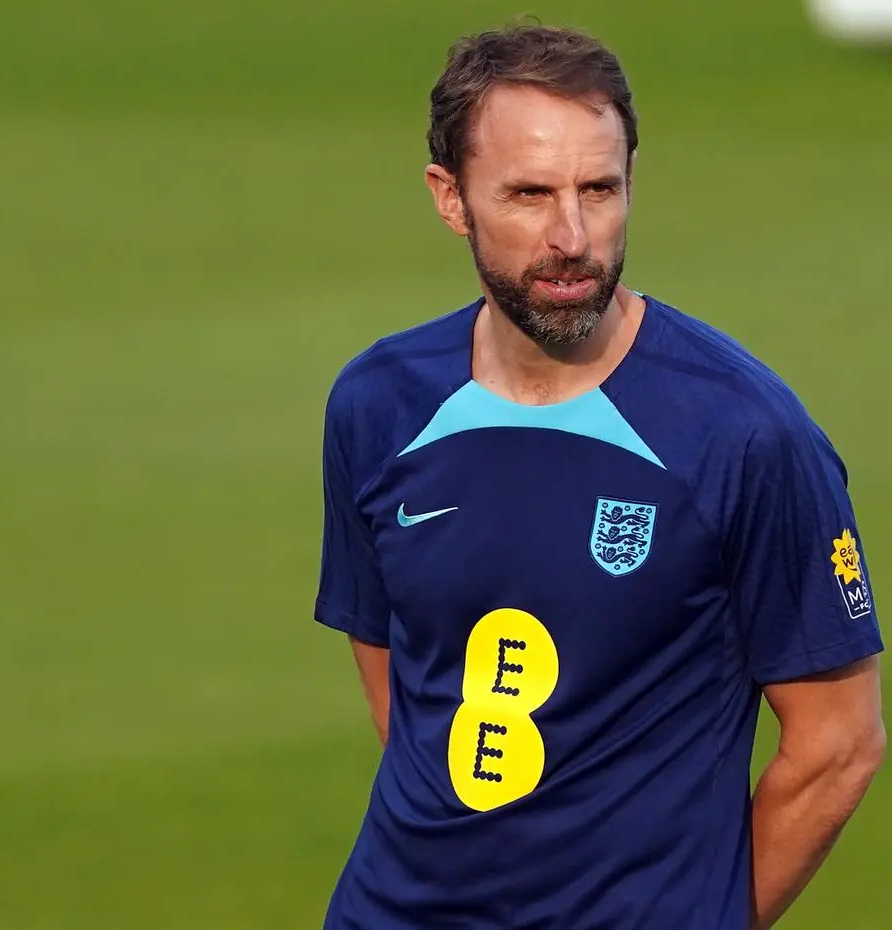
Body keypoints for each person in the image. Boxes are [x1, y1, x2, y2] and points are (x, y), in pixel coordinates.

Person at [312, 23, 885, 930]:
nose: (571, 235)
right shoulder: (376, 404)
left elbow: (838, 746)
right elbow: (402, 684)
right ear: (450, 197)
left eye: (600, 190)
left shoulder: (744, 433)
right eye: (529, 195)